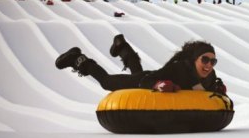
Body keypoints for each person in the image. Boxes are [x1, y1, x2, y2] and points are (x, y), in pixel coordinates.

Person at [55, 35, 227, 94]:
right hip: (145, 80)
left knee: (136, 72)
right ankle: (78, 59)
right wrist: (158, 85)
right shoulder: (179, 69)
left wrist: (218, 89)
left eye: (213, 61)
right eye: (205, 59)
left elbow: (206, 93)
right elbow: (147, 81)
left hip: (150, 78)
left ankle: (123, 48)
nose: (209, 65)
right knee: (107, 83)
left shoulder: (210, 75)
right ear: (194, 59)